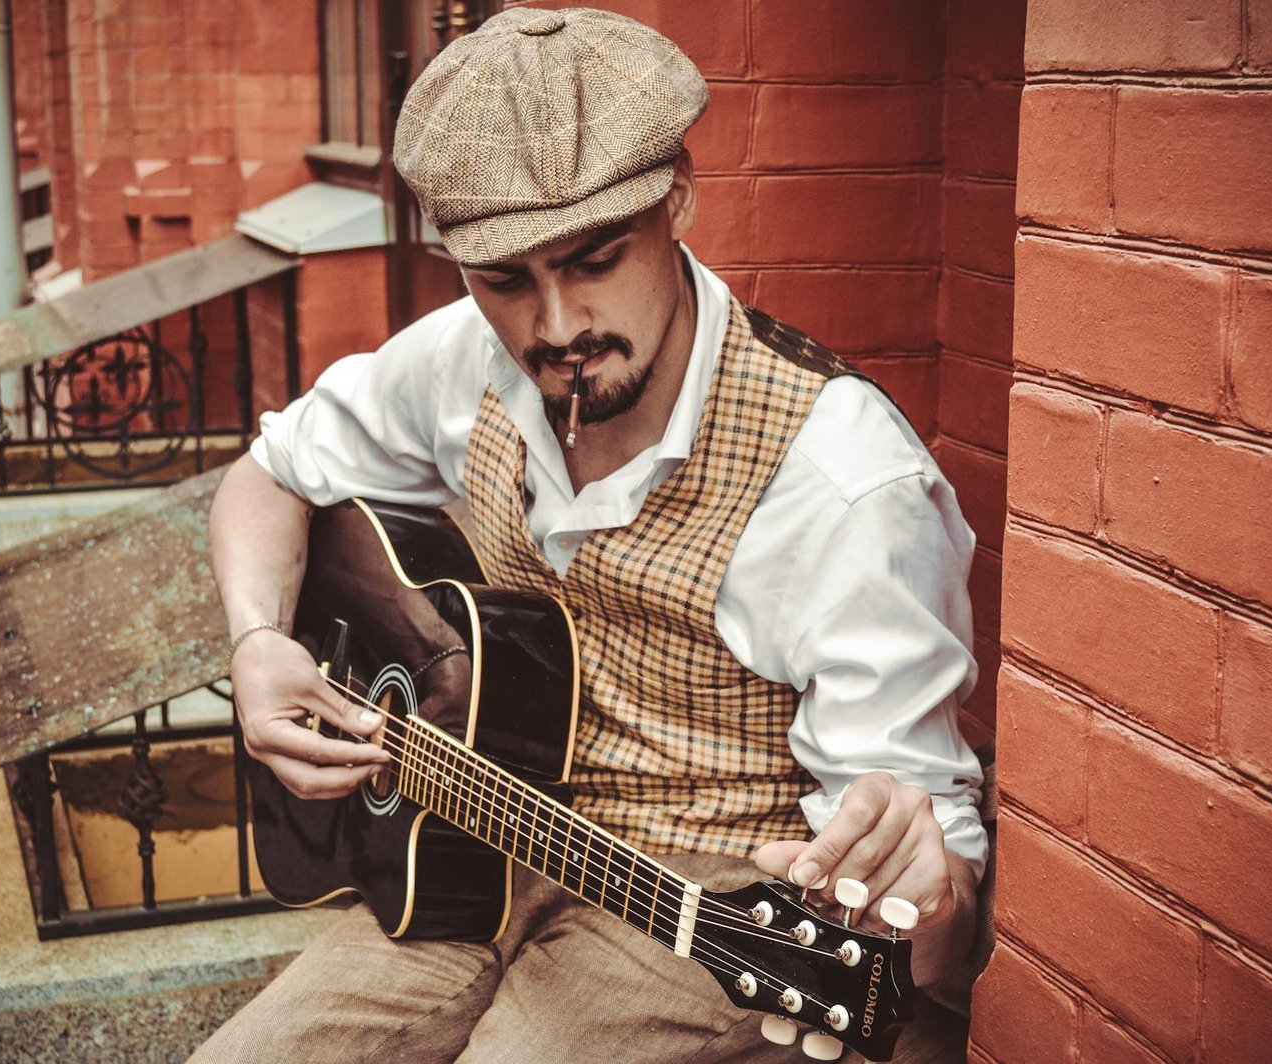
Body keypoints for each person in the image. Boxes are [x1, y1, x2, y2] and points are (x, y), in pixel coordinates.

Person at [195, 7, 985, 1062]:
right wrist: (256, 641)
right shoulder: (461, 359)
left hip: (707, 912)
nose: (557, 326)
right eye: (506, 280)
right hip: (472, 848)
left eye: (597, 259)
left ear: (680, 200)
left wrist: (926, 893)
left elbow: (934, 944)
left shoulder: (841, 481)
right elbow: (269, 472)